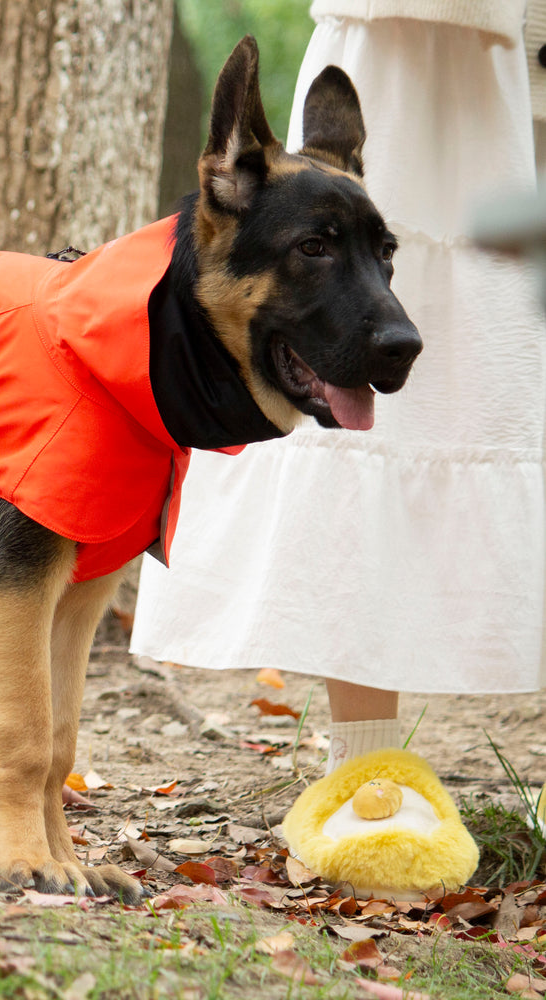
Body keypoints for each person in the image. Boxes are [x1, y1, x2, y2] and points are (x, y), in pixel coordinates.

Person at [132, 0, 544, 896]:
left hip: (521, 75)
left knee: (508, 388)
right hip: (408, 51)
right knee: (366, 437)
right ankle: (365, 777)